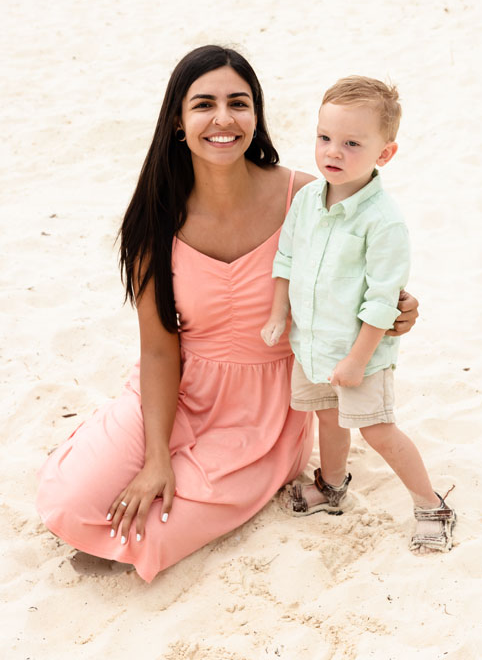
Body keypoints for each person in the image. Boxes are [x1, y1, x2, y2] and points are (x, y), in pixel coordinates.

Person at [36, 47, 420, 582]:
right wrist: (157, 457)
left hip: (265, 413)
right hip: (177, 389)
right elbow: (158, 349)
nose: (223, 118)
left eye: (238, 103)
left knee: (146, 535)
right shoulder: (154, 218)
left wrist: (401, 310)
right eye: (204, 105)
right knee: (70, 505)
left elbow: (365, 276)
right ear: (178, 120)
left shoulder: (306, 197)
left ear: (256, 115)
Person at [261, 75, 455, 552]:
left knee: (378, 429)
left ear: (384, 154)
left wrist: (357, 359)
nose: (333, 151)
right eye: (324, 137)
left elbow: (382, 301)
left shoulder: (383, 221)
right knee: (327, 419)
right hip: (312, 344)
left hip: (360, 355)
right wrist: (277, 313)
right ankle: (332, 487)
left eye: (352, 143)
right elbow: (286, 258)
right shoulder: (307, 200)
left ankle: (431, 504)